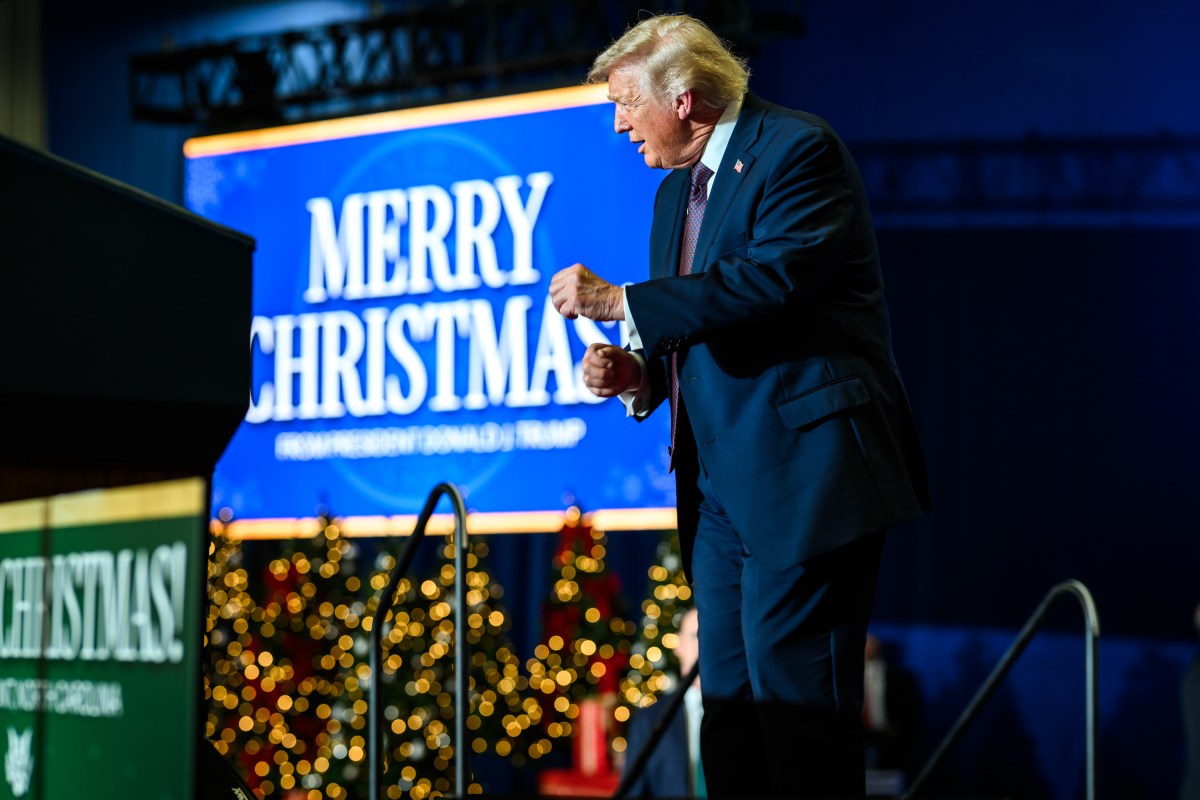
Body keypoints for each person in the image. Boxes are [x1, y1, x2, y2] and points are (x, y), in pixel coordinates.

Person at [549, 13, 930, 798]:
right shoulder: (669, 199)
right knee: (725, 712)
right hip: (718, 492)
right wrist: (640, 376)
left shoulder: (797, 151)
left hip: (805, 479)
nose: (618, 124)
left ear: (684, 99)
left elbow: (769, 282)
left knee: (799, 716)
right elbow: (701, 336)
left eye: (626, 103)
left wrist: (622, 300)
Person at [623, 607, 704, 798]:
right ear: (678, 645)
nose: (704, 645)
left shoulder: (748, 715)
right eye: (696, 635)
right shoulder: (649, 720)